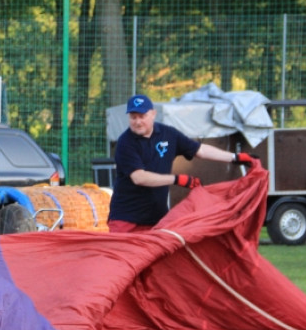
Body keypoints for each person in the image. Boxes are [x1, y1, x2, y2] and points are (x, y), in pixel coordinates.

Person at [108, 94, 257, 233]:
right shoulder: (125, 143)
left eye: (142, 116)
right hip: (125, 219)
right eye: (133, 117)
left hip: (156, 219)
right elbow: (139, 178)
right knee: (121, 261)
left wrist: (235, 157)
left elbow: (200, 150)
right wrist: (177, 179)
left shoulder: (169, 134)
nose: (138, 122)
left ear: (153, 114)